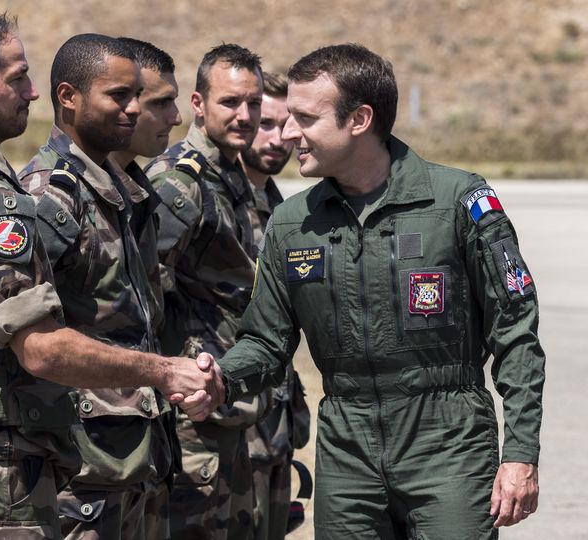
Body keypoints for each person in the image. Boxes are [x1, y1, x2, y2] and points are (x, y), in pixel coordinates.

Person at [0, 13, 221, 538]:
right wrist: (162, 372)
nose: (31, 92)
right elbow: (41, 348)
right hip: (2, 468)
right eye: (18, 77)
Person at [216, 43, 545, 539]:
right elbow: (265, 341)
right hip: (347, 452)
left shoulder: (458, 201)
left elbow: (515, 332)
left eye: (305, 118)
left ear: (359, 119)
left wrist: (520, 453)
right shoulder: (292, 222)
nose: (287, 132)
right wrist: (219, 379)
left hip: (448, 445)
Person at [18, 34, 212, 539]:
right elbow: (31, 340)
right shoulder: (50, 196)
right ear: (69, 98)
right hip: (82, 467)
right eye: (118, 96)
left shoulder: (122, 191)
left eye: (136, 97)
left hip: (132, 455)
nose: (133, 110)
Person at [145, 44, 264, 540]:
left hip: (225, 397)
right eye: (230, 103)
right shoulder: (181, 180)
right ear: (198, 104)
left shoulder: (230, 171)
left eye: (253, 103)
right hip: (192, 405)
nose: (245, 115)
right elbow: (144, 288)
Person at [109, 37, 183, 540]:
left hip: (142, 451)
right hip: (90, 466)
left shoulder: (137, 195)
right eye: (160, 102)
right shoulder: (52, 195)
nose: (174, 117)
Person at [238, 71, 311, 540]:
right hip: (227, 424)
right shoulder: (205, 196)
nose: (279, 137)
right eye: (266, 122)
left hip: (273, 422)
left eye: (287, 124)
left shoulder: (273, 202)